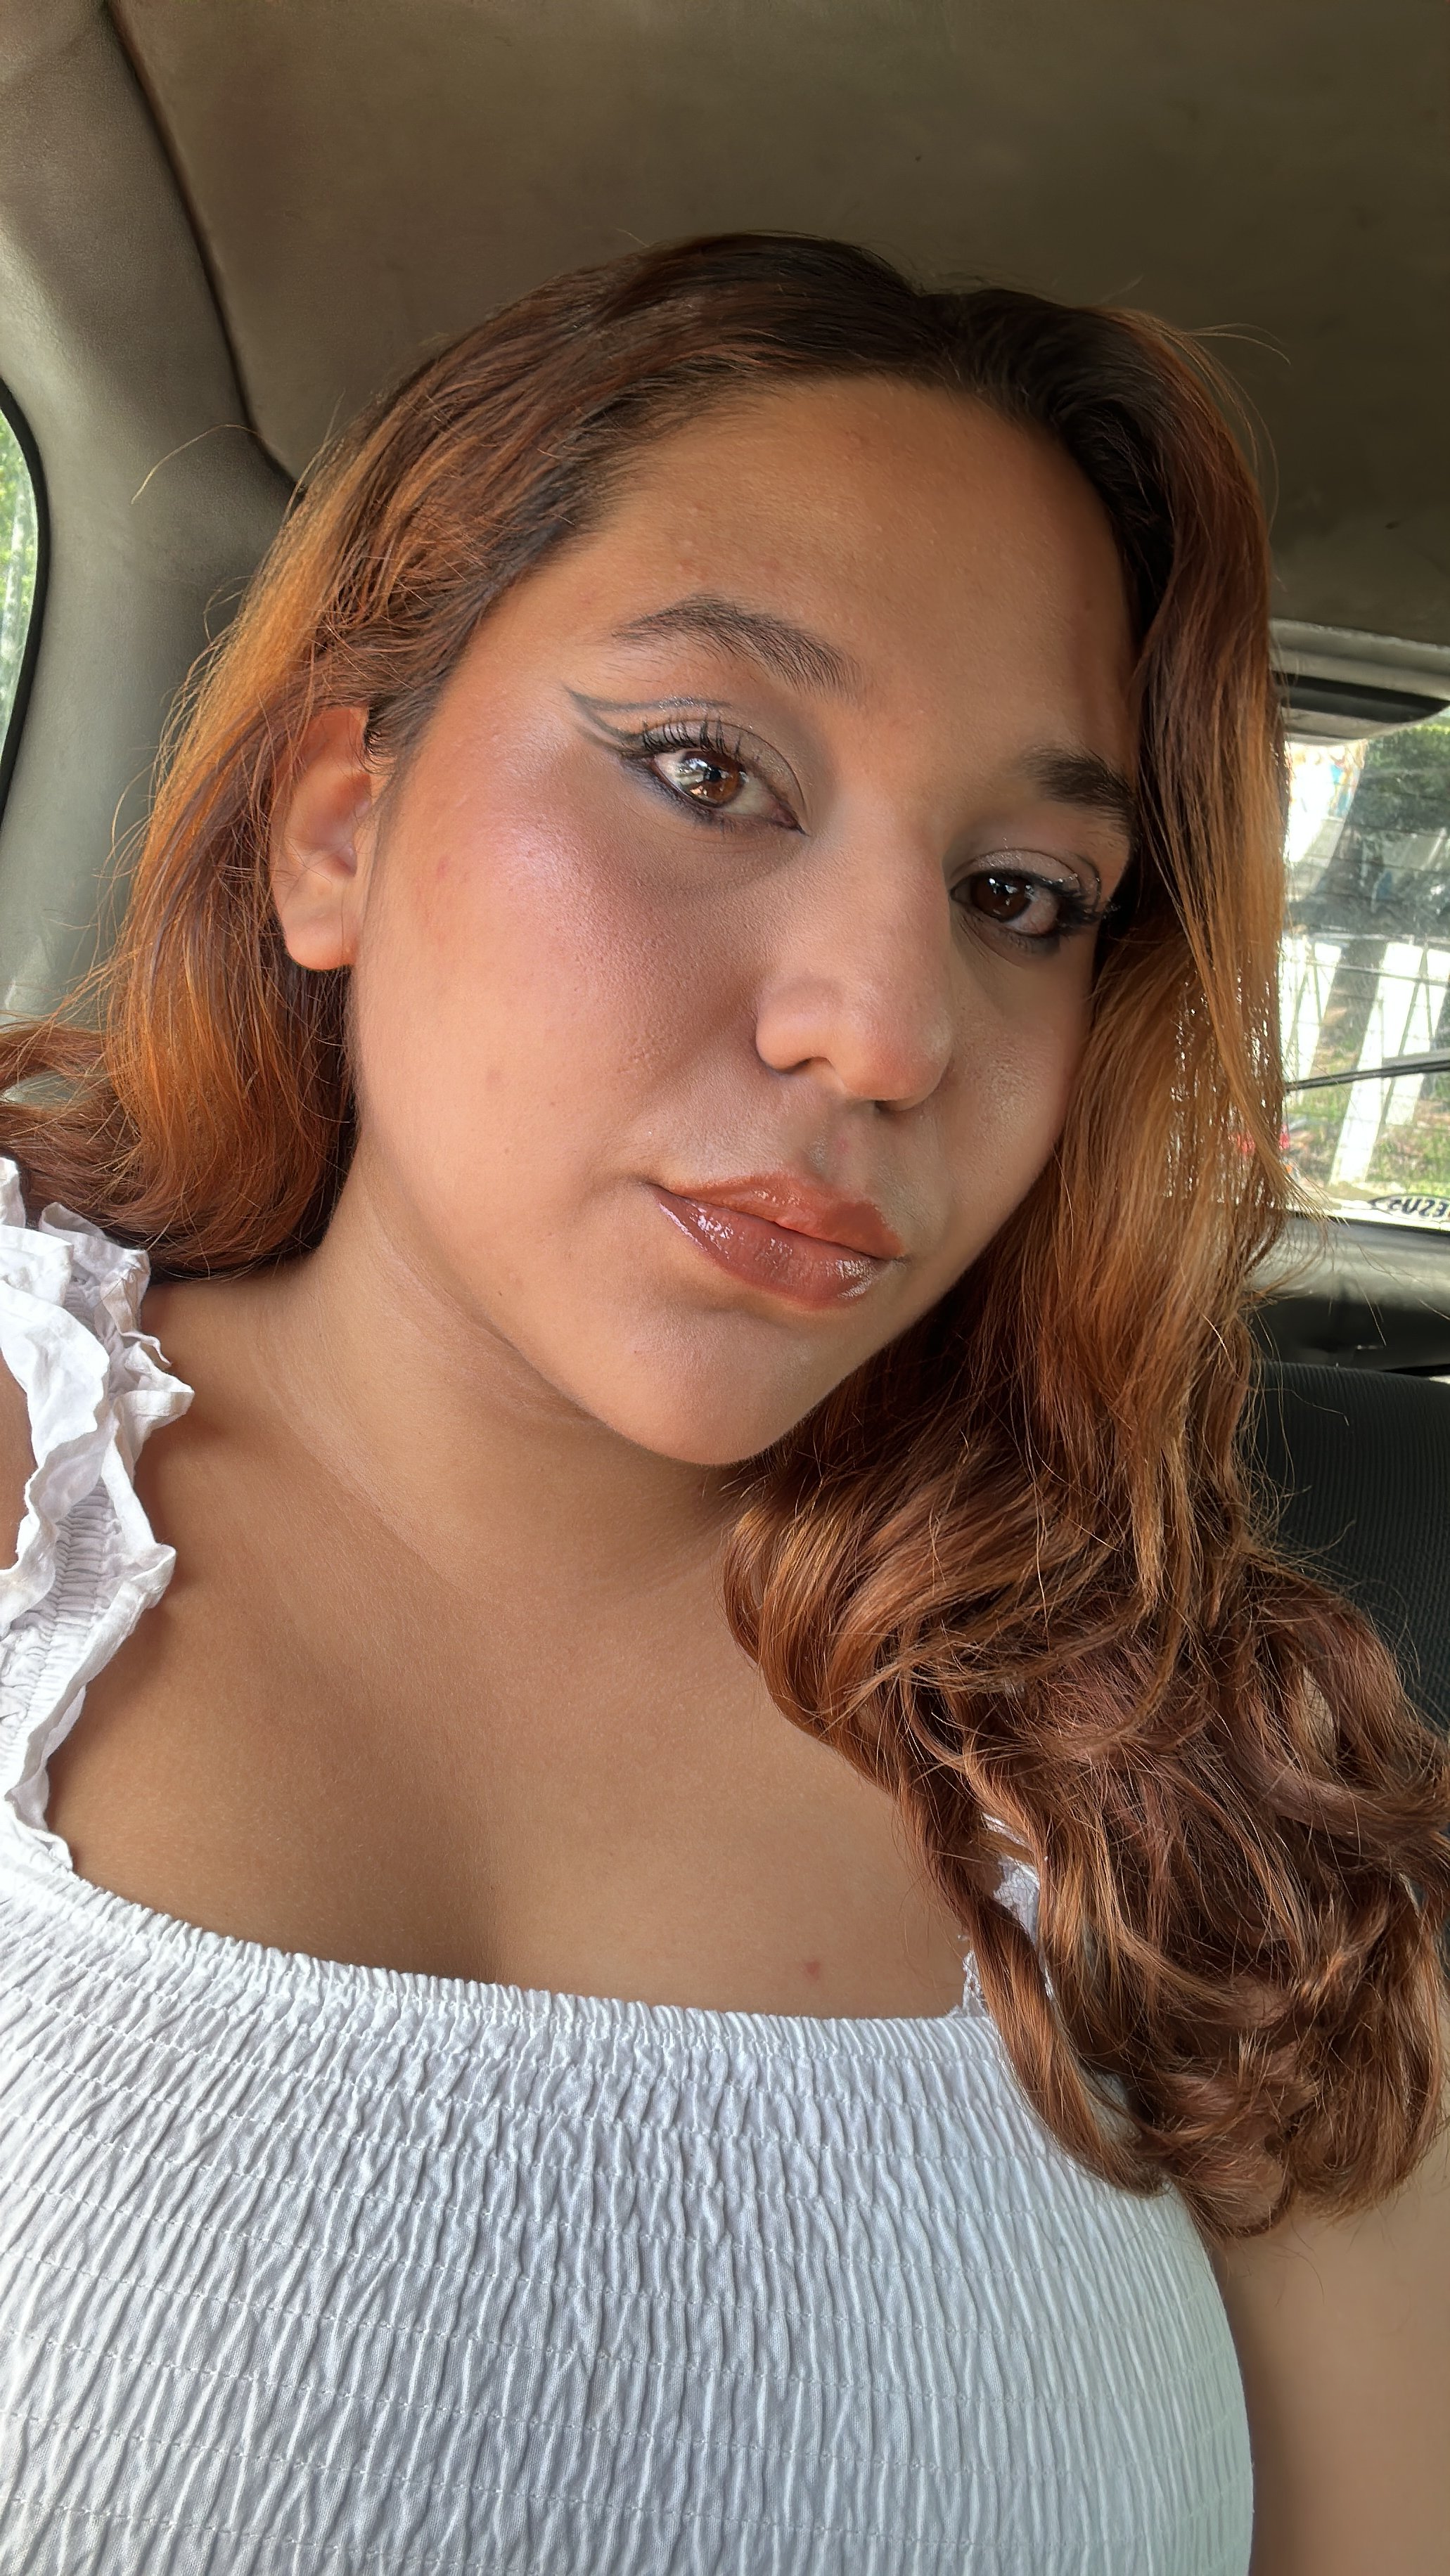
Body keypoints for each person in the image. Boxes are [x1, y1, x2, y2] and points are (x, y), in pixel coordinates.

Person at [0, 231, 1444, 2576]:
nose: (887, 1033)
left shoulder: (1231, 1821)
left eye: (1021, 893)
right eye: (706, 769)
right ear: (338, 823)